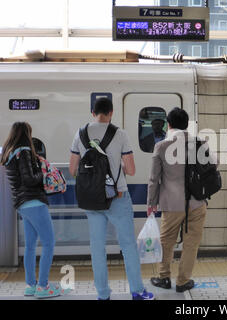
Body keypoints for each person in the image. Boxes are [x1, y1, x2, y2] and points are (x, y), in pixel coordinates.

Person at [69, 97, 154, 300]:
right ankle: (137, 291)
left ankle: (103, 294)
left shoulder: (80, 134)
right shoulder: (119, 134)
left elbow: (73, 169)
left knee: (97, 247)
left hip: (91, 200)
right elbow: (131, 170)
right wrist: (118, 167)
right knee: (127, 246)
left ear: (93, 112)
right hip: (117, 197)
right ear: (111, 112)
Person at [148, 108, 211, 293]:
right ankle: (183, 281)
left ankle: (164, 277)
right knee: (191, 243)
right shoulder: (199, 143)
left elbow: (154, 179)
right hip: (197, 202)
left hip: (171, 204)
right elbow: (215, 164)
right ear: (186, 124)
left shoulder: (161, 146)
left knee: (166, 241)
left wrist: (151, 203)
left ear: (169, 124)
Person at [1, 122, 62, 298]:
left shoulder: (10, 153)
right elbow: (29, 179)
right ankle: (43, 287)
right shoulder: (25, 151)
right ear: (26, 134)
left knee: (30, 246)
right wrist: (42, 173)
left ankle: (31, 285)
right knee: (49, 243)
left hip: (22, 204)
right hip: (34, 202)